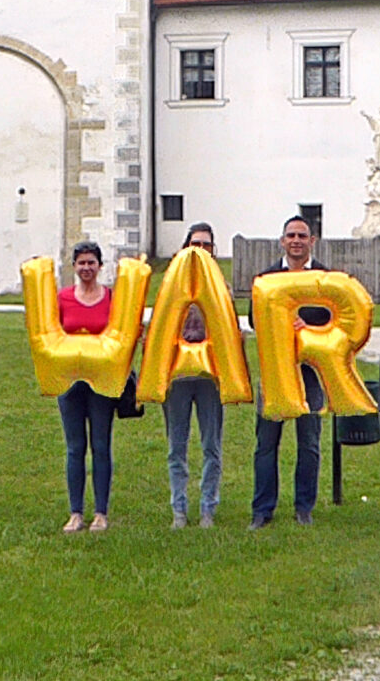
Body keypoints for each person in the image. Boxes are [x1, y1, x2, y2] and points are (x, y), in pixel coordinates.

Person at [249, 214, 331, 529]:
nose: (296, 240)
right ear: (282, 241)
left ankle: (304, 507)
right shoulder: (267, 278)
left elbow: (334, 318)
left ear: (312, 241)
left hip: (310, 371)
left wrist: (308, 328)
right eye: (290, 236)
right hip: (275, 371)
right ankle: (262, 509)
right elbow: (256, 321)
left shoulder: (325, 278)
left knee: (309, 442)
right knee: (266, 442)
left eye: (302, 235)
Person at [163, 222, 225, 529]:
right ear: (186, 247)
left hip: (209, 378)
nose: (200, 250)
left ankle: (207, 509)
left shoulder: (220, 288)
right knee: (177, 445)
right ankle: (179, 510)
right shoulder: (172, 285)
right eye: (195, 244)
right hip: (177, 378)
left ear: (213, 251)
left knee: (211, 445)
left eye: (207, 245)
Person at [56, 241, 118, 533]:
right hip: (70, 382)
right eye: (81, 263)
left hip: (101, 382)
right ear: (74, 267)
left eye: (91, 263)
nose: (86, 268)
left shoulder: (111, 298)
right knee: (75, 447)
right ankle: (76, 513)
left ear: (100, 266)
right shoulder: (63, 298)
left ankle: (101, 513)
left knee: (101, 446)